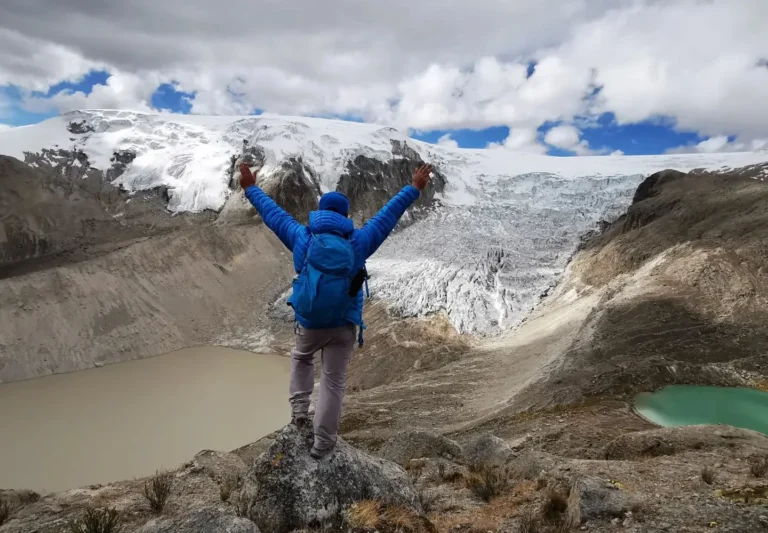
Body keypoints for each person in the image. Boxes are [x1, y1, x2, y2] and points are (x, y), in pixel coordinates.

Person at [239, 161, 434, 458]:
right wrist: (414, 188)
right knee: (333, 382)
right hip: (343, 324)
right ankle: (323, 443)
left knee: (301, 357)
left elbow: (273, 214)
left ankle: (299, 412)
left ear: (320, 212)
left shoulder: (302, 237)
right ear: (344, 216)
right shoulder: (359, 241)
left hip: (309, 322)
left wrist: (251, 189)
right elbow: (388, 216)